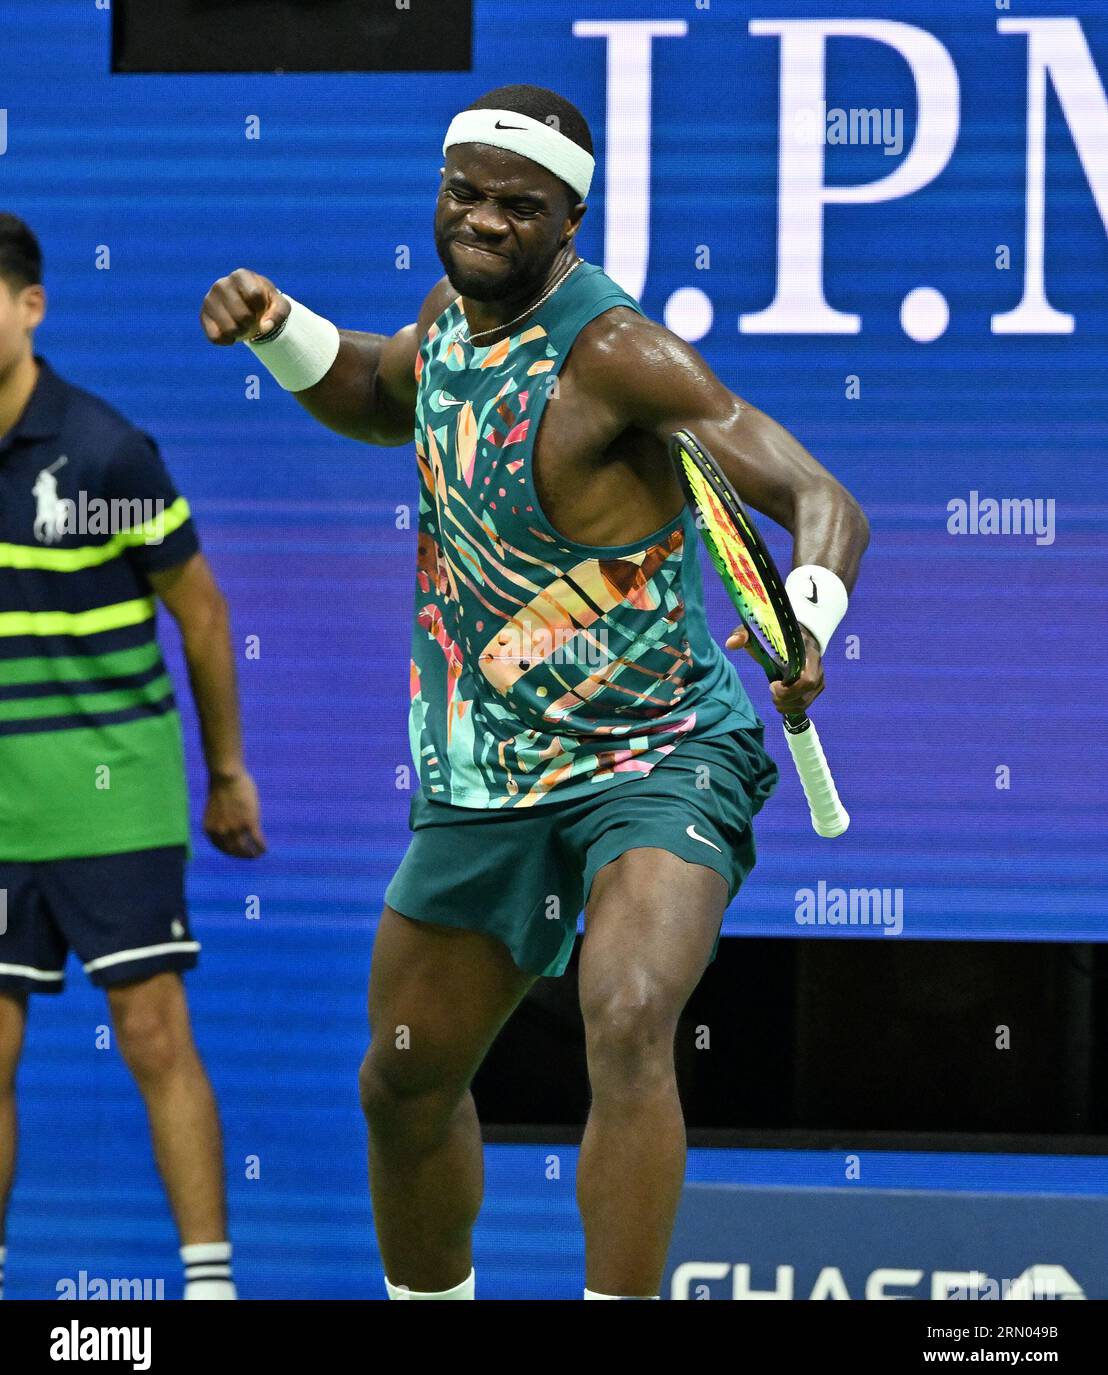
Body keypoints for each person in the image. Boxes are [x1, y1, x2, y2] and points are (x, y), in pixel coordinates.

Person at [200, 83, 868, 1300]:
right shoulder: (449, 317)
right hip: (486, 765)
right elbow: (384, 393)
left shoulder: (621, 356)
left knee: (623, 1016)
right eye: (467, 194)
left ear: (570, 220)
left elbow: (824, 503)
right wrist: (278, 325)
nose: (487, 221)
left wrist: (805, 614)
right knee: (402, 1079)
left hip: (658, 753)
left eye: (522, 205)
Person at [0, 213, 265, 1301]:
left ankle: (206, 1288)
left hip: (118, 796)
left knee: (155, 1035)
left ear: (30, 307)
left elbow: (202, 616)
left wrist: (228, 773)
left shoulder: (106, 450)